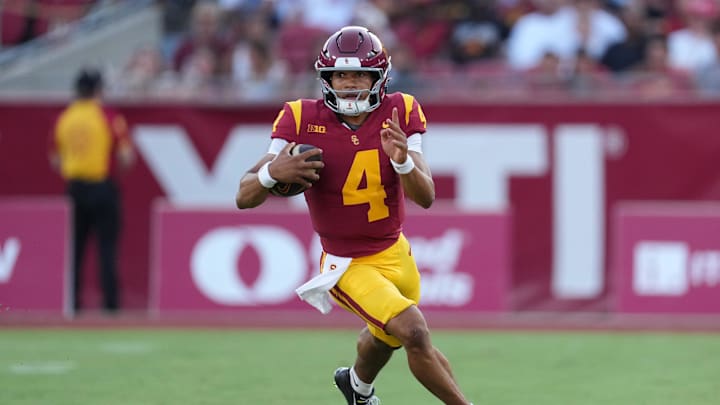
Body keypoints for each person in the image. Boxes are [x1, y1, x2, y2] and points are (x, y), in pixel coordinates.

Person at [235, 26, 473, 405]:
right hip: (347, 263)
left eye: (360, 74)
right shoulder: (299, 117)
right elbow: (244, 196)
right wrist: (270, 174)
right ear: (325, 78)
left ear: (378, 77)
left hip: (397, 252)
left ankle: (357, 387)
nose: (349, 83)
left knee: (386, 336)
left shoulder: (402, 109)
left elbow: (425, 197)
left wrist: (402, 164)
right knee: (413, 333)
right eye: (341, 75)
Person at [49, 67, 135, 313]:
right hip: (102, 187)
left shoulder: (64, 118)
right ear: (98, 90)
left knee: (74, 249)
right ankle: (110, 306)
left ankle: (72, 303)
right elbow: (126, 155)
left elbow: (55, 160)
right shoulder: (107, 116)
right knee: (107, 248)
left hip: (74, 189)